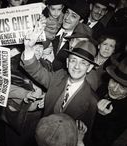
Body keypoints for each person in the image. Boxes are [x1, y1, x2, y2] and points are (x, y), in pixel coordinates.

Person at [21, 17, 98, 145]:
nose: (76, 66)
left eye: (83, 63)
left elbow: (86, 135)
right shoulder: (58, 77)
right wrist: (29, 48)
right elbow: (37, 71)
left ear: (89, 68)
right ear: (67, 62)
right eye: (73, 60)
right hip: (42, 136)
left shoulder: (91, 101)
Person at [43, 0, 90, 71]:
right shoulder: (51, 29)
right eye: (67, 12)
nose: (67, 17)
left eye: (73, 16)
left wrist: (52, 62)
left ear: (81, 21)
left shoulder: (78, 43)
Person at [91, 56, 127, 146]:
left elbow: (103, 142)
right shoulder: (102, 89)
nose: (114, 89)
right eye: (114, 81)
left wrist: (102, 117)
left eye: (122, 87)